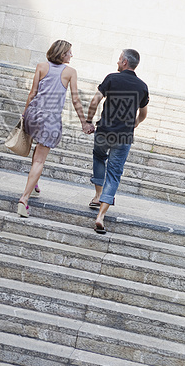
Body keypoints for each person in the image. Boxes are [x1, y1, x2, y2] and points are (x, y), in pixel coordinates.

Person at [17, 40, 94, 217]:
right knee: (39, 160)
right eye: (69, 53)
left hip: (33, 114)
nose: (71, 56)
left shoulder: (41, 66)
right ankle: (24, 198)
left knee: (37, 153)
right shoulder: (70, 72)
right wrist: (84, 122)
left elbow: (32, 93)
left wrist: (24, 114)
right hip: (49, 119)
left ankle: (33, 182)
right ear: (61, 54)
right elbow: (75, 100)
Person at [85, 49, 149, 234]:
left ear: (124, 63)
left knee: (99, 157)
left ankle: (98, 195)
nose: (117, 61)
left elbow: (95, 101)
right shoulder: (142, 86)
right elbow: (143, 114)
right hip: (124, 136)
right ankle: (101, 216)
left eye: (119, 59)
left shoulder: (112, 78)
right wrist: (134, 124)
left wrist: (89, 122)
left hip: (104, 131)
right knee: (114, 173)